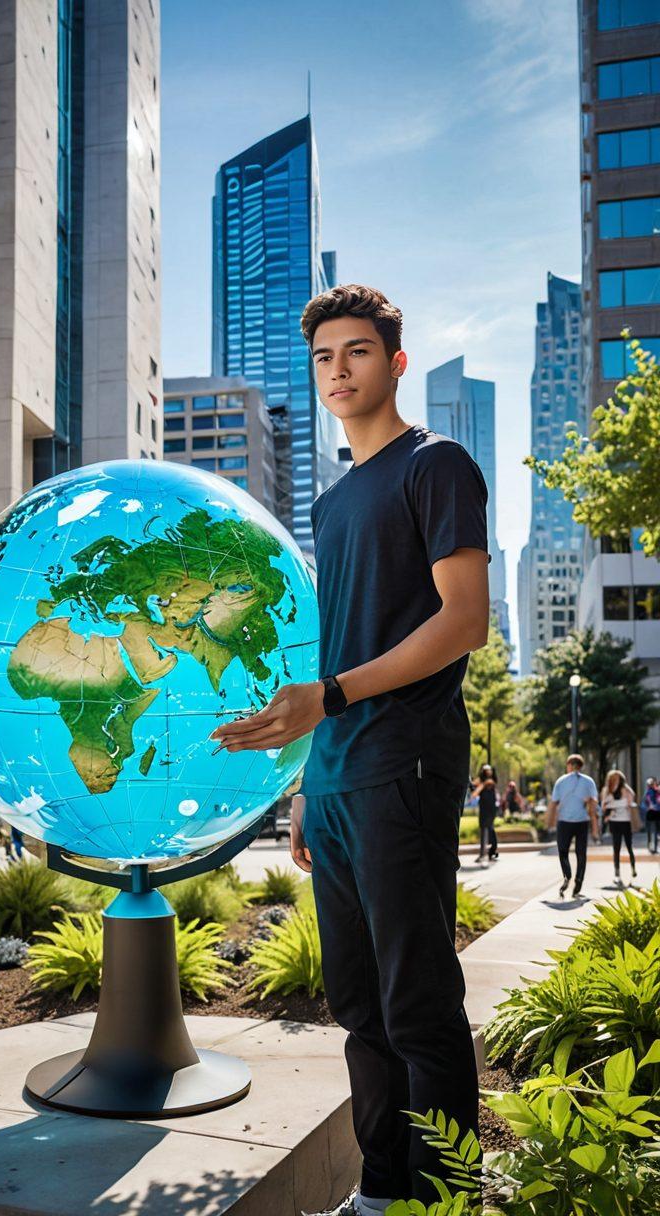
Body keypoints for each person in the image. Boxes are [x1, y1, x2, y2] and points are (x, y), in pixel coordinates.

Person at [209, 284, 490, 1214]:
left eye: (358, 352)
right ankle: (382, 1192)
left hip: (404, 762)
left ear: (394, 362)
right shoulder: (331, 505)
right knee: (357, 1007)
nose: (339, 369)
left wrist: (329, 699)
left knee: (416, 1003)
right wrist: (305, 779)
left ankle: (446, 1198)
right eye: (325, 356)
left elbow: (464, 622)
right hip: (336, 779)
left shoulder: (436, 465)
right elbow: (335, 645)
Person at [548, 754, 599, 900]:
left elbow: (553, 803)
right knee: (581, 853)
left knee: (563, 851)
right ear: (581, 766)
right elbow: (593, 804)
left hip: (564, 822)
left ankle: (567, 875)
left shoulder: (561, 781)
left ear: (569, 765)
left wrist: (549, 822)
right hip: (582, 822)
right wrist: (595, 828)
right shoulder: (589, 781)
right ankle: (578, 883)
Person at [601, 769, 638, 886]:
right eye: (613, 778)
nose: (615, 780)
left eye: (617, 778)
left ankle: (633, 868)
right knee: (616, 848)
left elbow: (630, 802)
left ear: (621, 779)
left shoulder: (626, 790)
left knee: (629, 846)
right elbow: (603, 806)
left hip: (625, 822)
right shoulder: (607, 791)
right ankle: (617, 874)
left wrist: (612, 805)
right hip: (614, 823)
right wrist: (611, 807)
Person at [472, 763, 499, 865]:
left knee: (488, 830)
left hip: (490, 809)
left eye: (489, 770)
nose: (488, 772)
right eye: (486, 770)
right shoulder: (482, 781)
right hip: (484, 809)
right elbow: (474, 789)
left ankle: (487, 853)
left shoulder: (490, 781)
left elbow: (476, 791)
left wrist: (480, 784)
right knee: (486, 830)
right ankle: (485, 853)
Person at [640, 777, 660, 855]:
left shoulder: (649, 792)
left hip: (651, 813)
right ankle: (653, 847)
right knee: (655, 831)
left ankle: (652, 847)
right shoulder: (652, 792)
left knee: (652, 831)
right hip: (653, 813)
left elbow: (644, 804)